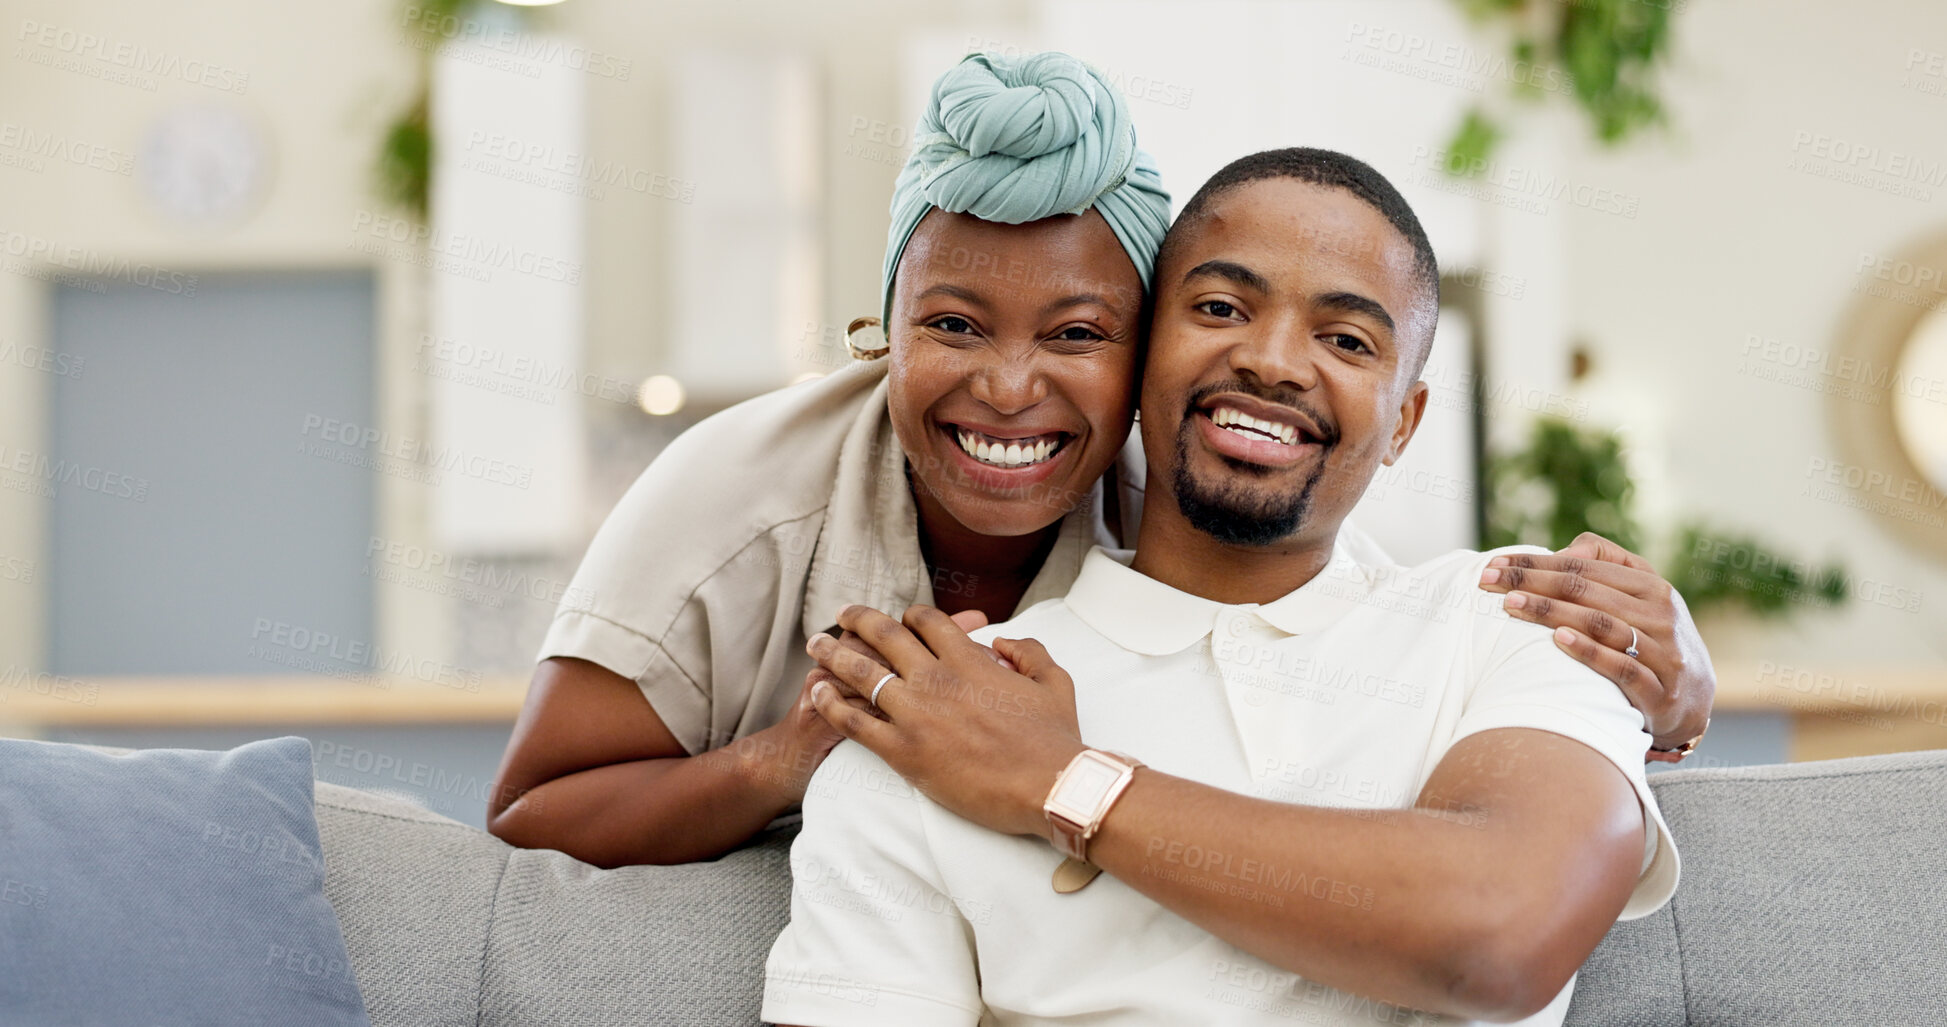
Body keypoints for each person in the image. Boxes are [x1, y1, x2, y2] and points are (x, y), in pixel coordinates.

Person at [487, 52, 1713, 869]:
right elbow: (529, 813)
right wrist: (791, 757)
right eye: (953, 324)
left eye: (1077, 335)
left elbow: (1366, 640)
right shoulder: (740, 496)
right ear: (884, 334)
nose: (1008, 387)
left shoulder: (1178, 498)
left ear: (1141, 363)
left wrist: (1666, 682)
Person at [766, 148, 1679, 1026]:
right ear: (1132, 359)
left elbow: (1497, 935)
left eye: (1346, 337)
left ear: (1403, 420)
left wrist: (1061, 781)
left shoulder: (1523, 616)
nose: (1274, 361)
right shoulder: (937, 724)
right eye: (1217, 307)